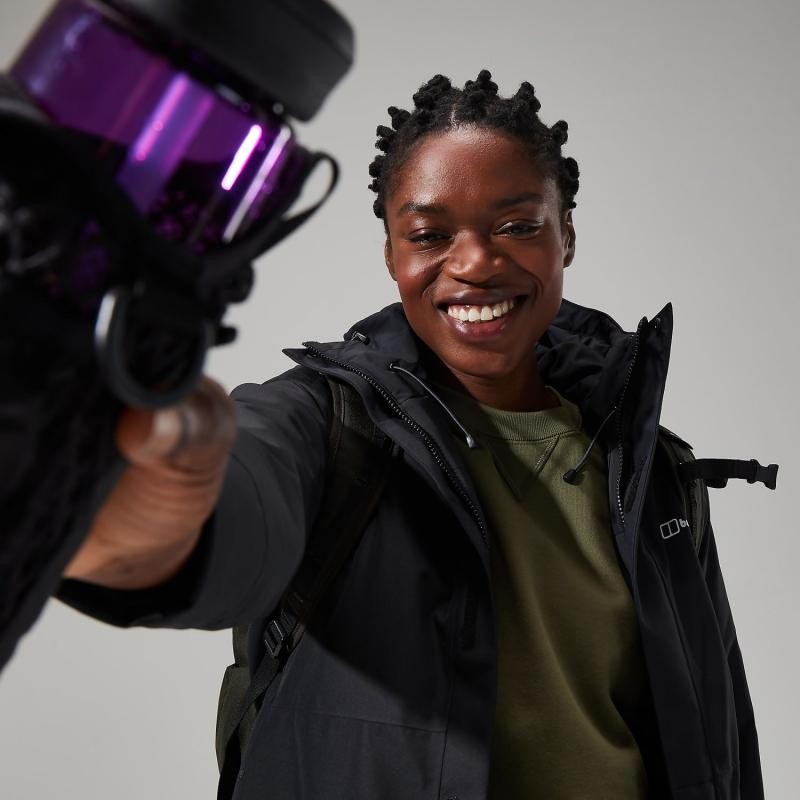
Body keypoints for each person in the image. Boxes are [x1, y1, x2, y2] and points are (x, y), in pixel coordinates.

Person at [59, 70, 763, 799]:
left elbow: (722, 744)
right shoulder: (325, 425)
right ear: (393, 254)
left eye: (518, 226)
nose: (476, 262)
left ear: (568, 236)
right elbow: (234, 513)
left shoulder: (650, 470)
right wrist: (129, 513)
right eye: (429, 235)